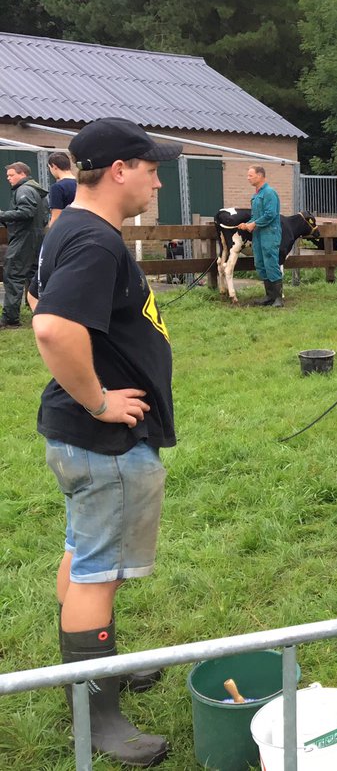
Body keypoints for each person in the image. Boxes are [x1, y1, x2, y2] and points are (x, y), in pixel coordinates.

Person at [32, 117, 181, 766]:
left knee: (79, 551)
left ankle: (94, 669)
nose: (156, 178)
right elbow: (51, 326)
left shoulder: (71, 226)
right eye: (150, 167)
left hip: (77, 439)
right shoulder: (95, 241)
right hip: (103, 443)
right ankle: (99, 716)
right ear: (119, 169)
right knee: (98, 572)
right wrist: (99, 400)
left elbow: (43, 297)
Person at [1, 160, 49, 328]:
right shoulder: (37, 191)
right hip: (37, 238)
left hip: (24, 238)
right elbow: (44, 217)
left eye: (11, 175)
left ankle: (11, 319)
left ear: (22, 174)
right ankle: (41, 310)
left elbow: (26, 212)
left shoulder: (24, 190)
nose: (8, 178)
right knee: (35, 276)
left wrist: (2, 215)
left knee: (13, 275)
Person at [237, 164, 284, 306]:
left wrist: (253, 224)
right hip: (258, 234)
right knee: (260, 263)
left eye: (250, 175)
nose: (248, 178)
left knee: (270, 262)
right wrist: (247, 224)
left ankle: (278, 298)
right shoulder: (256, 195)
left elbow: (270, 214)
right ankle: (269, 296)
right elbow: (256, 216)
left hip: (270, 233)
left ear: (260, 175)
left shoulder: (269, 193)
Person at [47, 150, 78, 225]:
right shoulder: (81, 183)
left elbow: (56, 217)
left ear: (54, 166)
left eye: (49, 167)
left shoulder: (57, 187)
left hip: (67, 228)